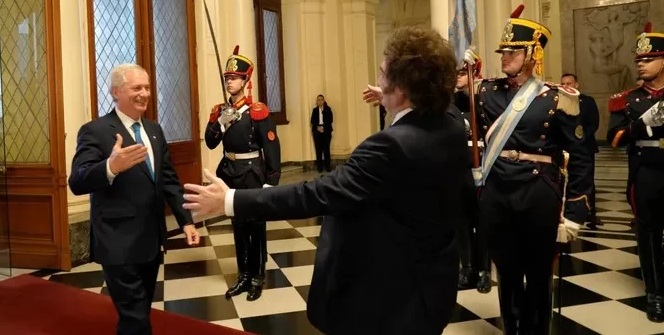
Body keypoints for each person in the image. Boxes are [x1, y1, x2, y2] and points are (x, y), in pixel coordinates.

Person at [186, 27, 470, 335]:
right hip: (434, 286)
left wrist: (229, 200)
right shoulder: (451, 126)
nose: (378, 81)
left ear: (402, 89)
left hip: (393, 300)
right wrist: (391, 97)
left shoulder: (390, 146)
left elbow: (316, 193)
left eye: (383, 74)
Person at [465, 5, 591, 335]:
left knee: (537, 274)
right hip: (497, 194)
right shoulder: (485, 91)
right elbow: (440, 101)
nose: (505, 57)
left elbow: (580, 155)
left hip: (538, 194)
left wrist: (575, 210)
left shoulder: (557, 98)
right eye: (503, 52)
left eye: (513, 51)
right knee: (506, 273)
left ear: (533, 54)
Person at [68, 64, 200, 335]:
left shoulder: (154, 130)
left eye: (147, 87)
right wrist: (110, 167)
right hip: (117, 241)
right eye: (136, 88)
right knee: (135, 318)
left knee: (140, 309)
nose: (144, 94)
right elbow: (77, 181)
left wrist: (186, 221)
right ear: (116, 91)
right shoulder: (95, 131)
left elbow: (169, 180)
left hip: (150, 241)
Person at [204, 45, 281, 301]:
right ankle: (243, 275)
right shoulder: (220, 111)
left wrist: (271, 182)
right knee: (237, 225)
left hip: (252, 174)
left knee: (255, 226)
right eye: (227, 78)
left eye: (235, 78)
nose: (230, 82)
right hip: (230, 174)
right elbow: (210, 143)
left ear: (246, 81)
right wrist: (220, 122)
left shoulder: (257, 111)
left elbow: (271, 147)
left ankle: (258, 276)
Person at [607, 22, 664, 322]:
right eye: (639, 60)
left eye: (649, 59)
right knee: (649, 234)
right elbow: (614, 138)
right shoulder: (627, 99)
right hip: (647, 172)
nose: (641, 64)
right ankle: (655, 294)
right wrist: (643, 124)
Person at [453, 54, 492, 293]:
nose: (457, 78)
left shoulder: (484, 99)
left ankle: (484, 269)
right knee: (462, 220)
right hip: (460, 167)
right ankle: (466, 267)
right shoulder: (451, 101)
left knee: (483, 219)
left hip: (483, 165)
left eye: (461, 73)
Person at [561, 73, 601, 229]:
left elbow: (593, 123)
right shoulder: (557, 101)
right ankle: (566, 210)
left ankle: (591, 213)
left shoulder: (587, 101)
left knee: (587, 179)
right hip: (565, 147)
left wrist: (581, 138)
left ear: (576, 85)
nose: (566, 86)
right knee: (564, 179)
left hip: (585, 146)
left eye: (569, 83)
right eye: (563, 83)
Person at [310, 94, 333, 172]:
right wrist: (318, 127)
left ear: (324, 101)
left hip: (326, 131)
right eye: (318, 100)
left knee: (326, 149)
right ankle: (320, 168)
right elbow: (312, 120)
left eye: (321, 99)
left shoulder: (328, 109)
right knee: (318, 150)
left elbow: (330, 120)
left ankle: (328, 167)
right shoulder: (315, 110)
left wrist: (323, 127)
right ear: (317, 101)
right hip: (317, 131)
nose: (320, 101)